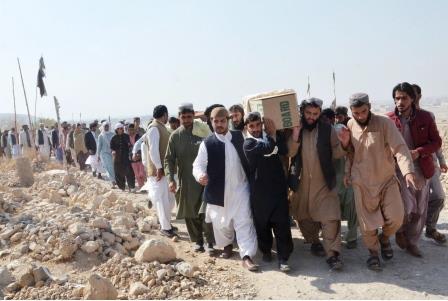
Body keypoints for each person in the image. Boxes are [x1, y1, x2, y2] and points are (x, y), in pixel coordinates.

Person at [346, 92, 417, 270]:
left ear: (369, 107)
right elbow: (350, 153)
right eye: (356, 113)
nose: (360, 116)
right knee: (366, 223)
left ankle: (384, 238)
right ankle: (373, 254)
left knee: (396, 217)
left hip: (386, 180)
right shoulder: (350, 125)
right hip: (361, 182)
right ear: (351, 112)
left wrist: (407, 171)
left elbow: (399, 148)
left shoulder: (384, 123)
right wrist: (348, 173)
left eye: (363, 111)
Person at [193, 107, 259, 272]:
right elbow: (197, 165)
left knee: (244, 222)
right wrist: (200, 175)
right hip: (218, 191)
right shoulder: (207, 143)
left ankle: (247, 255)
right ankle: (227, 245)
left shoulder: (239, 136)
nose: (219, 124)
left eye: (222, 121)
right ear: (211, 122)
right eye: (216, 121)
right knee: (221, 224)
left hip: (240, 189)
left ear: (227, 121)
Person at [288, 98, 349, 271]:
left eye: (315, 114)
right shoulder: (295, 127)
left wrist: (344, 143)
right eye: (308, 113)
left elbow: (336, 152)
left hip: (323, 183)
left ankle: (333, 254)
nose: (311, 117)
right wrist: (294, 136)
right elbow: (290, 152)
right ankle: (314, 242)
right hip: (300, 182)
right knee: (303, 217)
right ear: (302, 112)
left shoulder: (326, 129)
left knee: (330, 217)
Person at [386, 82, 442, 257]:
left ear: (412, 98)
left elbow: (436, 142)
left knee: (419, 209)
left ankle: (412, 242)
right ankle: (400, 230)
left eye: (404, 98)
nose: (400, 102)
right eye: (397, 98)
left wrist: (419, 152)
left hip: (421, 169)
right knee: (405, 206)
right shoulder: (388, 120)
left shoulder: (425, 118)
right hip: (397, 170)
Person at [243, 112, 293, 272]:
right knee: (262, 225)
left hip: (278, 189)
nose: (256, 129)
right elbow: (268, 147)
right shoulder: (248, 144)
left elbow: (284, 149)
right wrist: (272, 135)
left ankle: (283, 258)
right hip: (260, 193)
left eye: (258, 125)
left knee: (282, 224)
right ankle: (266, 251)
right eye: (252, 126)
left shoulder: (271, 135)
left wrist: (274, 135)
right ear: (247, 127)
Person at [165, 103, 215, 254]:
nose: (186, 120)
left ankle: (210, 242)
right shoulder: (175, 136)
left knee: (205, 211)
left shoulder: (202, 131)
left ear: (193, 116)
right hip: (185, 179)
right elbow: (169, 159)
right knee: (190, 212)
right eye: (183, 117)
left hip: (204, 178)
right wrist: (171, 179)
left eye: (189, 117)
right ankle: (198, 241)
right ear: (179, 117)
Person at [133, 105, 177, 237]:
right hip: (159, 171)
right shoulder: (153, 129)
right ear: (164, 114)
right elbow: (153, 150)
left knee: (169, 199)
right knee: (162, 200)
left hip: (165, 170)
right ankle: (165, 227)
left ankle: (166, 223)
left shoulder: (161, 127)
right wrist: (159, 167)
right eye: (167, 115)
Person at [412, 84, 447, 244]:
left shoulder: (428, 116)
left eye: (415, 95)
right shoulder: (399, 119)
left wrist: (441, 161)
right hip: (410, 167)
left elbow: (435, 142)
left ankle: (430, 228)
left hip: (429, 164)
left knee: (439, 196)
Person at [334, 106, 358, 249]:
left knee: (353, 209)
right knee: (334, 211)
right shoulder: (332, 147)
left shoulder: (353, 145)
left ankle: (352, 237)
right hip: (335, 184)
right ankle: (334, 237)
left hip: (350, 183)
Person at [110, 123, 136, 192]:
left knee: (129, 172)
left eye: (121, 128)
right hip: (117, 158)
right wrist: (113, 151)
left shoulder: (127, 136)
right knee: (118, 173)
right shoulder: (113, 138)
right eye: (118, 129)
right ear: (116, 130)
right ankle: (122, 187)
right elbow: (112, 148)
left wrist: (130, 147)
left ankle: (132, 187)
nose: (120, 130)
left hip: (126, 157)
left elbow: (130, 145)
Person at [97, 122, 116, 187]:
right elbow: (99, 146)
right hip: (105, 154)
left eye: (107, 126)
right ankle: (112, 180)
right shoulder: (101, 136)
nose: (106, 127)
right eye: (105, 126)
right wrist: (98, 155)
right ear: (103, 127)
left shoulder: (112, 134)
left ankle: (114, 179)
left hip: (113, 153)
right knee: (108, 167)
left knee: (113, 167)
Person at [128, 124, 146, 189]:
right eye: (129, 130)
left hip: (140, 158)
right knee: (137, 175)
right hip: (132, 159)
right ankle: (141, 187)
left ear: (134, 130)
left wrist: (139, 154)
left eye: (132, 130)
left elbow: (142, 145)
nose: (130, 131)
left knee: (142, 174)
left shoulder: (138, 137)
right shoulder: (127, 138)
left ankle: (144, 185)